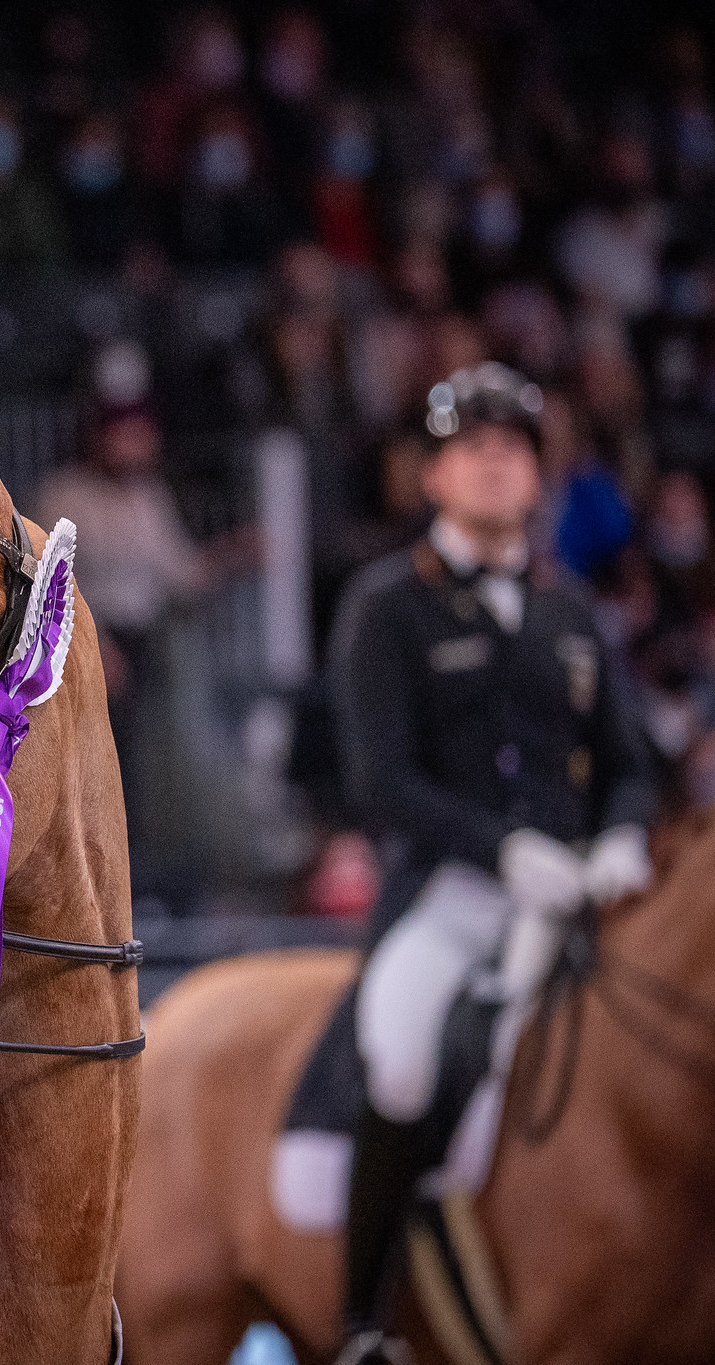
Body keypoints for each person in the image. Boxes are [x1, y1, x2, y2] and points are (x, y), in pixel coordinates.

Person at [326, 362, 657, 1364]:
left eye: (511, 450)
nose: (494, 466)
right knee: (403, 1053)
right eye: (470, 451)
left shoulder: (568, 613)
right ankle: (364, 1323)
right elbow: (379, 781)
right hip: (451, 890)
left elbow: (629, 765)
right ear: (430, 477)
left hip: (575, 894)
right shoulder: (386, 607)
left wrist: (621, 835)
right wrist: (503, 848)